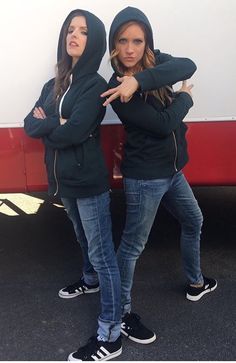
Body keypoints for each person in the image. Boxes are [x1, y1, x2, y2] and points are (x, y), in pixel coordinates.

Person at [101, 6, 217, 344]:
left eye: (138, 40)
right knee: (133, 246)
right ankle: (121, 313)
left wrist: (140, 78)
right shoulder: (116, 88)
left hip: (172, 171)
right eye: (122, 40)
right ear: (114, 44)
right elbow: (164, 123)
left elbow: (188, 65)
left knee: (194, 220)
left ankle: (195, 282)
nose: (130, 48)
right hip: (145, 178)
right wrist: (184, 98)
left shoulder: (155, 63)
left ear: (147, 42)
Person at [24, 9, 122, 361]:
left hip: (88, 181)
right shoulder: (54, 84)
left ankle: (111, 335)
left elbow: (74, 132)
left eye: (82, 31)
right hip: (64, 182)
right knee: (82, 238)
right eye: (70, 29)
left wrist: (53, 123)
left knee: (103, 255)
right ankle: (89, 280)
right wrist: (57, 119)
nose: (74, 35)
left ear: (92, 39)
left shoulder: (95, 85)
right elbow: (29, 125)